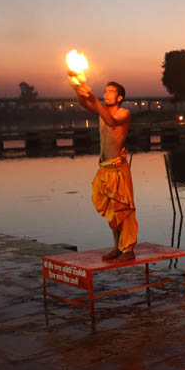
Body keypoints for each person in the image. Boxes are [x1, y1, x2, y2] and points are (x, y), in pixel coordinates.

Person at [69, 76, 137, 261]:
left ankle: (128, 250)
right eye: (105, 91)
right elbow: (83, 102)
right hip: (104, 169)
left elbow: (112, 122)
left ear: (120, 97)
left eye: (111, 92)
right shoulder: (102, 112)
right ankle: (117, 247)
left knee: (123, 210)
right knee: (111, 212)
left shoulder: (124, 113)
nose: (106, 94)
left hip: (117, 169)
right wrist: (77, 86)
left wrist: (92, 97)